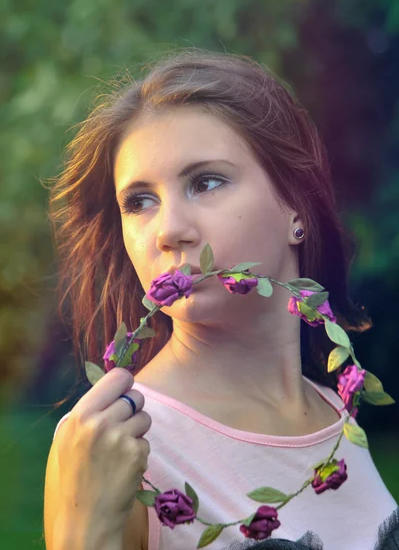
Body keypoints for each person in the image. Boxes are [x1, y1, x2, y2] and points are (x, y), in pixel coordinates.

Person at [44, 50, 397, 550]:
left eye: (206, 182)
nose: (169, 231)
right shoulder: (113, 446)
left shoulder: (335, 417)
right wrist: (86, 532)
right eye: (140, 201)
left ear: (296, 204)